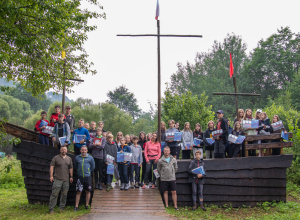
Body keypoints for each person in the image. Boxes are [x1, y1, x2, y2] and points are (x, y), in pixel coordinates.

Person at [49, 145, 73, 214]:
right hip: (57, 179)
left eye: (65, 149)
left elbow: (71, 168)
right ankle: (51, 209)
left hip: (66, 179)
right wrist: (51, 176)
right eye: (62, 149)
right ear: (60, 150)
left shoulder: (69, 159)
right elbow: (52, 167)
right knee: (54, 194)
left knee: (64, 194)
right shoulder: (56, 158)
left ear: (67, 150)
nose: (64, 151)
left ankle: (61, 207)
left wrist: (71, 177)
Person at [74, 145, 95, 211]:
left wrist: (88, 172)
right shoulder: (77, 158)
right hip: (80, 177)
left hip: (87, 177)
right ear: (80, 150)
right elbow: (76, 166)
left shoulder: (90, 158)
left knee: (88, 191)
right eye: (82, 150)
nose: (83, 151)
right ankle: (76, 206)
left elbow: (93, 167)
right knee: (78, 191)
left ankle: (87, 205)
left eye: (85, 150)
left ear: (87, 151)